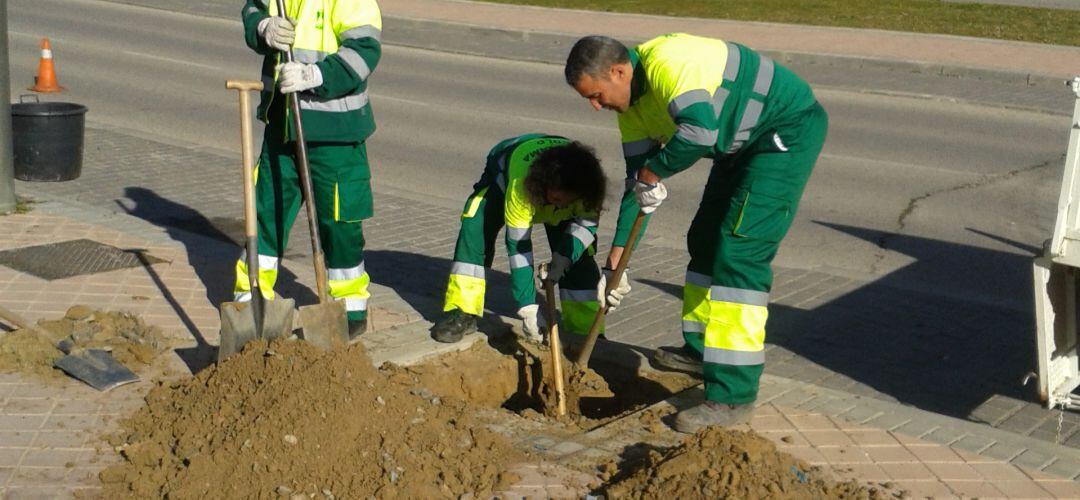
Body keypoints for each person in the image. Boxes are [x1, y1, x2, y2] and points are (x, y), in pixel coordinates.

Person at [565, 34, 828, 433]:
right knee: (704, 240)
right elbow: (640, 184)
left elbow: (699, 134)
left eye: (598, 95)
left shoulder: (670, 65)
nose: (596, 106)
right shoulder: (631, 110)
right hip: (739, 146)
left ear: (619, 71)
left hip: (783, 132)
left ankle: (732, 395)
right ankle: (701, 351)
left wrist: (656, 170)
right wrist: (618, 257)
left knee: (739, 254)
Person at [236, 0, 382, 338]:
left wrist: (314, 75)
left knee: (339, 224)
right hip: (282, 122)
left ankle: (350, 308)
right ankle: (251, 296)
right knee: (266, 214)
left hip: (335, 132)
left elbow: (365, 51)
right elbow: (252, 8)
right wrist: (262, 28)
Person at [430, 134, 609, 345]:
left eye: (568, 201)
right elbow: (519, 248)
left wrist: (563, 260)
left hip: (562, 182)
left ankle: (586, 330)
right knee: (475, 226)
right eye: (557, 199)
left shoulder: (587, 186)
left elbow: (586, 227)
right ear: (544, 187)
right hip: (502, 180)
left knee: (581, 254)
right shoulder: (520, 187)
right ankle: (463, 311)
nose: (561, 206)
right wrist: (527, 308)